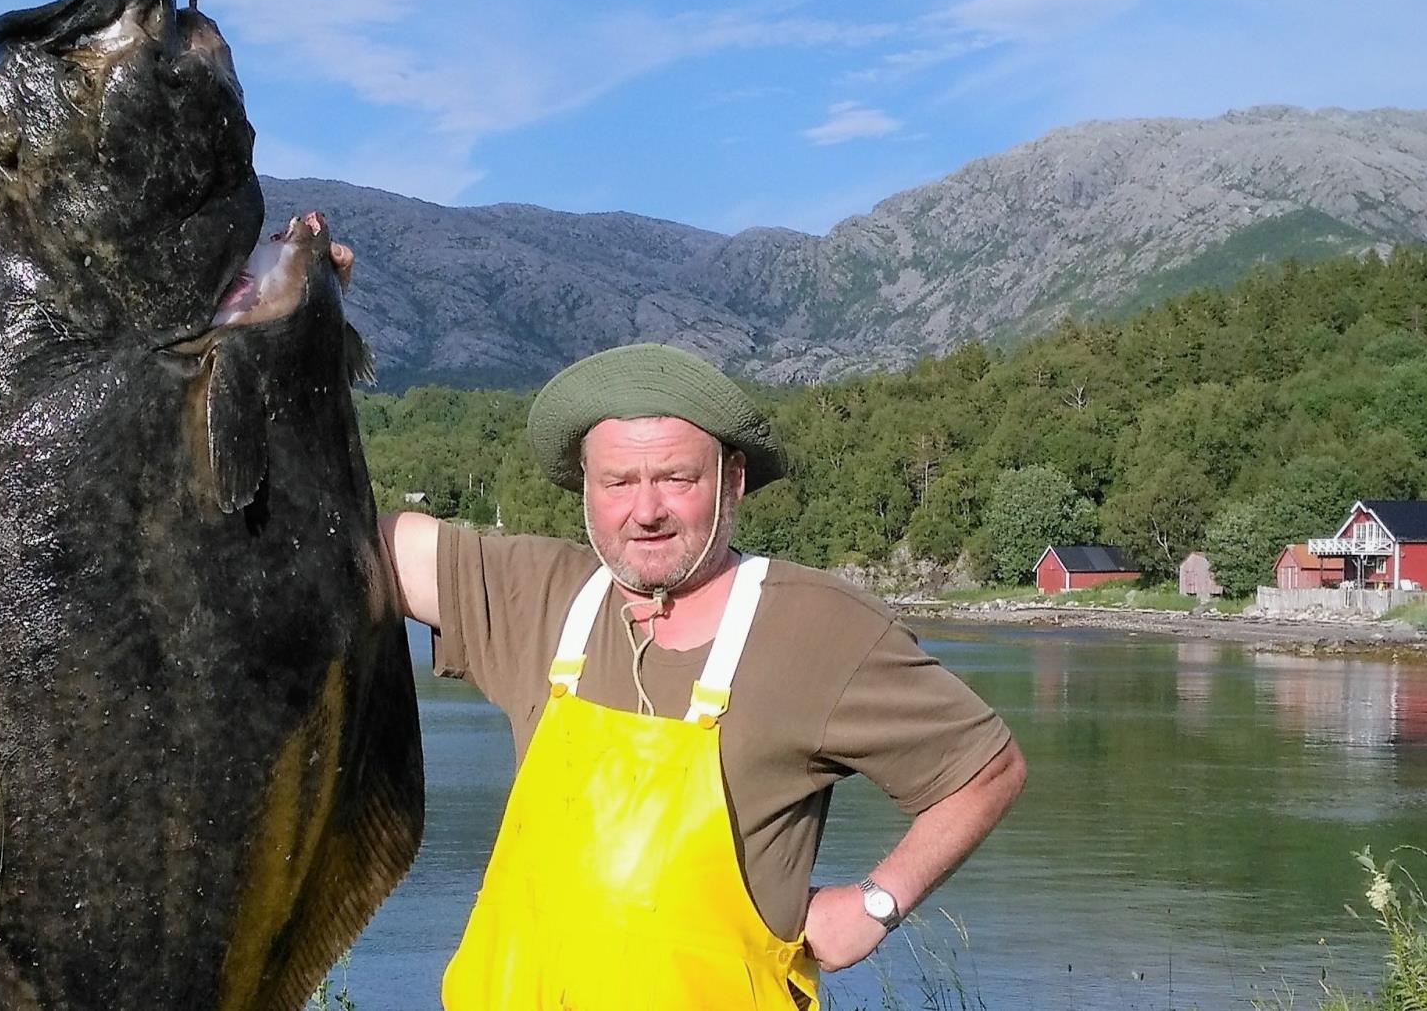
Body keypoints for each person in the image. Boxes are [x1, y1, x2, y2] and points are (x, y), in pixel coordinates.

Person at [380, 343, 1025, 1010]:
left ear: (732, 480)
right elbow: (346, 539)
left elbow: (986, 769)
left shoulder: (819, 628)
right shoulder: (535, 594)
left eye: (676, 478)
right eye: (618, 482)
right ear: (586, 485)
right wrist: (288, 317)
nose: (646, 509)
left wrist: (876, 903)